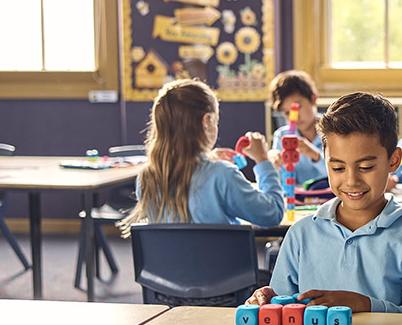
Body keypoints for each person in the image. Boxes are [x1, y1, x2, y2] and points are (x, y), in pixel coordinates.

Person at [245, 92, 402, 313]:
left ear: (393, 160)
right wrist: (267, 302)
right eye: (338, 168)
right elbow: (284, 308)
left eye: (366, 167)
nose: (351, 181)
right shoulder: (301, 233)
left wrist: (365, 305)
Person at [119, 79, 284, 235]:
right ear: (207, 121)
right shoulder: (222, 174)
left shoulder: (147, 177)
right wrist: (263, 160)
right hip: (223, 265)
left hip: (169, 265)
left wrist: (209, 158)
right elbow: (271, 215)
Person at [267, 70, 328, 185]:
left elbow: (341, 174)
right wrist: (274, 163)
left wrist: (315, 156)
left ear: (313, 99)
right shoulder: (282, 136)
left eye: (297, 107)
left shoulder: (333, 131)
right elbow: (280, 181)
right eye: (286, 112)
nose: (294, 117)